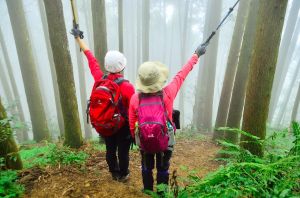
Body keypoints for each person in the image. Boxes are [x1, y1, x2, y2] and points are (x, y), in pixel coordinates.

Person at [128, 44, 207, 193]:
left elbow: (132, 122)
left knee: (146, 165)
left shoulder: (135, 98)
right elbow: (182, 74)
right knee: (163, 166)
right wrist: (196, 55)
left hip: (145, 139)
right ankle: (161, 193)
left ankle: (147, 191)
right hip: (166, 138)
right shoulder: (168, 93)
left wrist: (136, 136)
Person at [71, 28, 135, 182]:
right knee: (123, 151)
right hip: (122, 125)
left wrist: (79, 39)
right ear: (122, 66)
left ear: (106, 65)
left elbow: (91, 59)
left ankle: (114, 173)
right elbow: (133, 109)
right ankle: (124, 174)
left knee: (110, 149)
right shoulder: (127, 87)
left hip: (105, 123)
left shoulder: (100, 79)